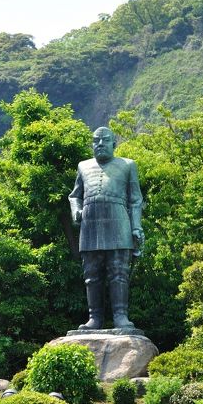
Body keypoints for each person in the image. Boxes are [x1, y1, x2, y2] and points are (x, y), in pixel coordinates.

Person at [68, 127, 144, 330]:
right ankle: (95, 318)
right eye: (96, 141)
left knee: (119, 271)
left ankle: (121, 316)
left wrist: (136, 227)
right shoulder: (83, 166)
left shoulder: (128, 165)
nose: (100, 144)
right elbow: (75, 195)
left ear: (114, 144)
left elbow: (136, 200)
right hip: (90, 225)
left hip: (119, 223)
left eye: (104, 140)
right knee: (91, 274)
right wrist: (76, 210)